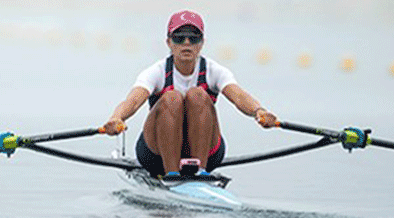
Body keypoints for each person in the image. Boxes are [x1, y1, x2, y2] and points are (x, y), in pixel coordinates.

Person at [99, 9, 278, 177]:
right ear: (168, 42)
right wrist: (116, 118)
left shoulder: (215, 71)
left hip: (207, 153)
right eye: (179, 38)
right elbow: (133, 100)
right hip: (157, 156)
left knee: (197, 95)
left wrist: (259, 112)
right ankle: (172, 174)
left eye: (193, 38)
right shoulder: (156, 72)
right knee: (172, 97)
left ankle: (200, 171)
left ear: (201, 43)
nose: (186, 43)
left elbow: (239, 96)